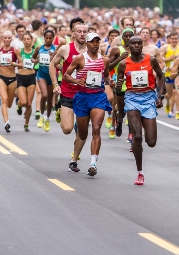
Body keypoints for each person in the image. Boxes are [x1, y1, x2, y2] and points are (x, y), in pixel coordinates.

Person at [116, 36, 164, 185]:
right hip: (131, 98)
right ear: (128, 47)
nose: (136, 45)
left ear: (142, 45)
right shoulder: (123, 64)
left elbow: (161, 76)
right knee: (137, 137)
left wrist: (160, 95)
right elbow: (119, 86)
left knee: (151, 142)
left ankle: (140, 123)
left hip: (149, 98)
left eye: (139, 43)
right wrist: (118, 86)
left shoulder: (151, 60)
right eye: (133, 43)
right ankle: (140, 172)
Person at [63, 33, 113, 177]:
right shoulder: (80, 58)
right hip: (82, 97)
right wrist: (76, 81)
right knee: (83, 133)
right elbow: (66, 75)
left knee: (96, 129)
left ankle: (93, 163)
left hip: (98, 96)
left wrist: (111, 82)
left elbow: (106, 76)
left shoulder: (105, 60)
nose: (95, 44)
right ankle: (75, 156)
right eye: (92, 42)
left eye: (97, 42)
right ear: (87, 44)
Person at [50, 19, 88, 172]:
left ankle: (74, 160)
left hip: (85, 94)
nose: (82, 34)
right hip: (67, 92)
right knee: (67, 129)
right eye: (79, 31)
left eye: (85, 32)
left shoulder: (92, 51)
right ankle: (62, 112)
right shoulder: (65, 49)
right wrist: (55, 84)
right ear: (74, 33)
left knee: (83, 132)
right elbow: (52, 64)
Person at [0, 31, 22, 132]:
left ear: (11, 39)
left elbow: (21, 64)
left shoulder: (15, 50)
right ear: (2, 39)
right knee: (4, 99)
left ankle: (17, 106)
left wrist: (13, 64)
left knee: (9, 104)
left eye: (9, 38)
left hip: (12, 79)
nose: (7, 40)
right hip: (1, 78)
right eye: (5, 38)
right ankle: (6, 122)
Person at [108, 28, 135, 139]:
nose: (128, 38)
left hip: (134, 85)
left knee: (132, 110)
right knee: (121, 110)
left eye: (130, 36)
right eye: (126, 36)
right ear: (122, 37)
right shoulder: (116, 50)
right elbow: (108, 67)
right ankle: (119, 120)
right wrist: (120, 58)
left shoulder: (137, 50)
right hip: (120, 83)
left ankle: (131, 134)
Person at [32, 29, 56, 132]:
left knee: (50, 99)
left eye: (50, 38)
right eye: (46, 38)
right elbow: (32, 59)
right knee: (44, 95)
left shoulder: (55, 49)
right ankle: (41, 115)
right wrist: (36, 60)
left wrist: (53, 57)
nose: (48, 40)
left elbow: (59, 63)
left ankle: (47, 118)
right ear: (44, 38)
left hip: (51, 75)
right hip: (41, 74)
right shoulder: (39, 48)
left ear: (53, 39)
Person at [16, 32, 36, 131]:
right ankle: (19, 105)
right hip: (20, 77)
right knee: (23, 102)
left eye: (28, 39)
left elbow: (39, 62)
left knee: (29, 103)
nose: (26, 41)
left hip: (31, 77)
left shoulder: (34, 52)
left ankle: (26, 123)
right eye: (25, 39)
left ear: (32, 40)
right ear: (22, 41)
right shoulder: (19, 52)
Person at [160, 32, 179, 118]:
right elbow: (160, 59)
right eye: (172, 39)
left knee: (176, 92)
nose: (174, 40)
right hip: (168, 73)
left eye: (176, 38)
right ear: (169, 39)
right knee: (169, 94)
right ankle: (168, 102)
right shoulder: (165, 47)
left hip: (177, 73)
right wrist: (168, 59)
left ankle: (175, 111)